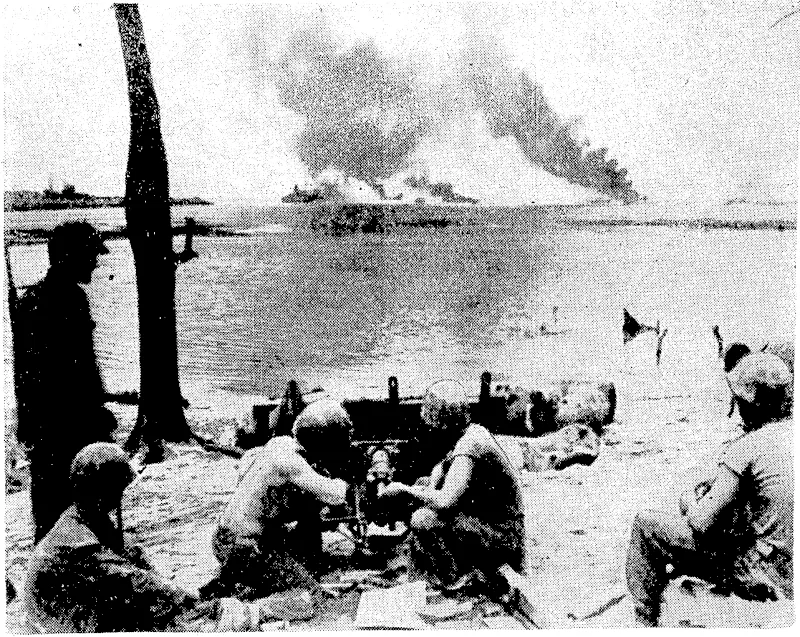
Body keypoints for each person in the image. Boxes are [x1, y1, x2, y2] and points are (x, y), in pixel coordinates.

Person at [626, 352, 793, 626]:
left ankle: (644, 623)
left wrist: (691, 500)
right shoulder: (791, 433)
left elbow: (701, 522)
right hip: (789, 565)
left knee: (646, 525)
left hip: (762, 571)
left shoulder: (747, 446)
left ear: (748, 402)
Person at [21, 443, 202, 632]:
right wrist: (195, 601)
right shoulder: (79, 542)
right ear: (106, 493)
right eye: (117, 490)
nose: (120, 496)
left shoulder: (83, 516)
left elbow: (128, 557)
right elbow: (135, 582)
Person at [13, 221, 118, 543]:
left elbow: (23, 373)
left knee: (49, 511)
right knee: (83, 510)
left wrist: (27, 421)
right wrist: (97, 414)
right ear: (71, 257)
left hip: (45, 425)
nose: (96, 262)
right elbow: (78, 369)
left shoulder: (31, 299)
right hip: (70, 425)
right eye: (90, 255)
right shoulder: (69, 300)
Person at [380, 380, 526, 594]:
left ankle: (457, 578)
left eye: (432, 425)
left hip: (505, 538)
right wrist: (425, 486)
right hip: (498, 525)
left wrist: (404, 489)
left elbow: (446, 500)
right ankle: (452, 565)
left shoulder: (469, 446)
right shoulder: (470, 433)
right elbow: (441, 470)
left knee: (423, 519)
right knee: (423, 489)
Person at [201, 399, 353, 601]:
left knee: (305, 514)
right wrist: (356, 481)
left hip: (224, 538)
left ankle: (231, 578)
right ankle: (241, 594)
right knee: (309, 595)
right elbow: (334, 494)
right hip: (247, 548)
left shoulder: (280, 443)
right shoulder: (291, 463)